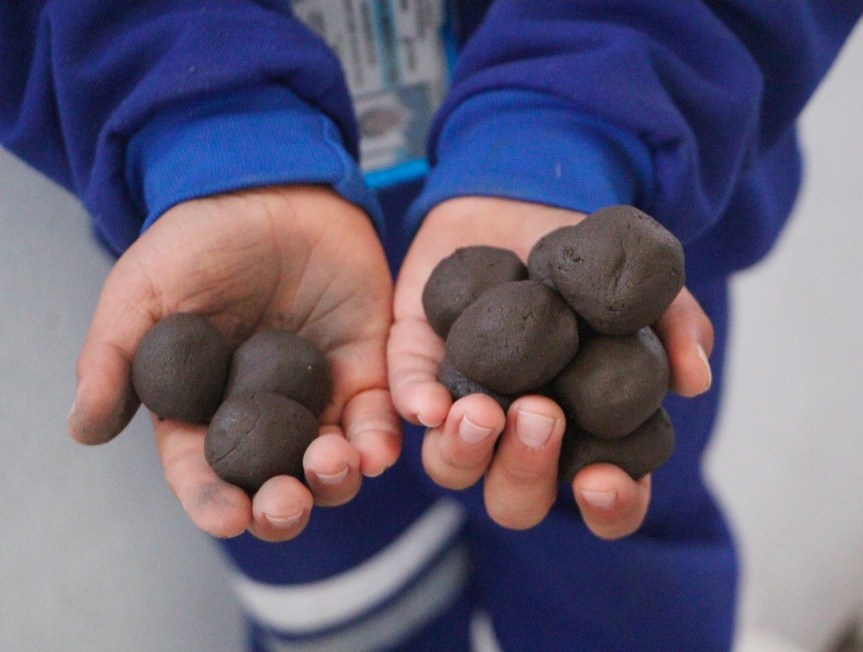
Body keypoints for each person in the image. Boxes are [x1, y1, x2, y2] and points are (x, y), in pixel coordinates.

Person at [3, 1, 862, 650]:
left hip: (607, 183)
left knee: (616, 557)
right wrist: (199, 124)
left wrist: (578, 114)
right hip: (252, 287)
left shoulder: (590, 292)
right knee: (342, 589)